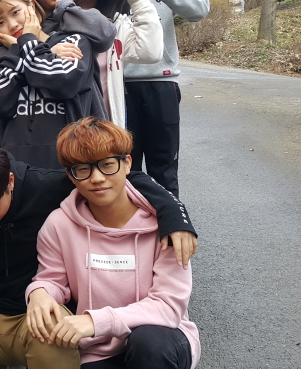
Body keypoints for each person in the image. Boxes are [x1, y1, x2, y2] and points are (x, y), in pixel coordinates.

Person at [0, 141, 197, 369]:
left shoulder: (43, 187)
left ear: (10, 182)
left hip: (36, 311)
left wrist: (175, 214)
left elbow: (124, 178)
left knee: (57, 340)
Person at [26, 117, 200, 368]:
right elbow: (53, 280)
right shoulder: (58, 224)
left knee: (149, 343)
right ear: (70, 175)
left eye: (107, 165)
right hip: (96, 348)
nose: (97, 178)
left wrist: (96, 321)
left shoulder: (167, 228)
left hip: (162, 337)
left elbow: (168, 306)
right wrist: (40, 293)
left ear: (127, 163)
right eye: (83, 169)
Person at [111, 0, 210, 196]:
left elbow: (199, 10)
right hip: (117, 85)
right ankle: (130, 222)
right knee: (124, 167)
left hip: (160, 82)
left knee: (163, 167)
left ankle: (168, 219)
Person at [0, 0, 113, 169]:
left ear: (32, 5)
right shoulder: (4, 57)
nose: (12, 24)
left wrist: (30, 46)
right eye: (0, 23)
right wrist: (22, 50)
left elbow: (62, 81)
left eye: (16, 12)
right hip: (16, 166)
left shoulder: (73, 40)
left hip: (73, 160)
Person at [69, 0, 162, 128]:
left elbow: (151, 52)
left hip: (102, 131)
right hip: (57, 127)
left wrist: (138, 0)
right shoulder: (54, 15)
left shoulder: (115, 26)